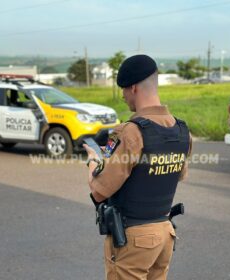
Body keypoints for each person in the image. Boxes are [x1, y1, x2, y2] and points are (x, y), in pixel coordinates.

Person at [83, 54, 192, 280]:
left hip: (134, 238)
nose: (123, 97)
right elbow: (177, 174)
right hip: (164, 234)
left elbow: (100, 191)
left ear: (133, 88)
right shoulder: (182, 130)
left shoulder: (130, 132)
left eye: (123, 90)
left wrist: (93, 161)